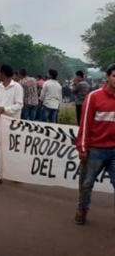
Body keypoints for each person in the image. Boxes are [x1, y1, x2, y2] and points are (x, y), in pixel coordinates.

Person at [74, 63, 115, 225]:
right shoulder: (94, 97)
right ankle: (82, 209)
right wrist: (82, 148)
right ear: (107, 77)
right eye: (114, 75)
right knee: (87, 183)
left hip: (114, 150)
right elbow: (85, 124)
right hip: (95, 150)